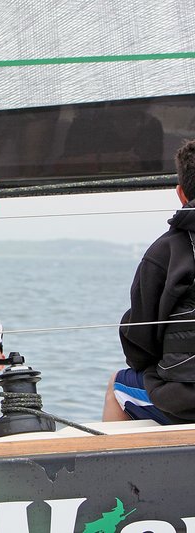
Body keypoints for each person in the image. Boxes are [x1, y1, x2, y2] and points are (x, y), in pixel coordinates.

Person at [102, 139, 195, 424]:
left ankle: (111, 469)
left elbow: (139, 341)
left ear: (180, 194)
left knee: (117, 385)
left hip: (186, 401)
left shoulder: (165, 252)